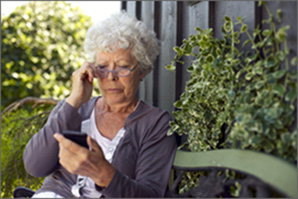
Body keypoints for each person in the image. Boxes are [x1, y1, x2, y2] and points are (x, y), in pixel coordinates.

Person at [23, 11, 177, 198]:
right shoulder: (75, 107)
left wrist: (104, 174)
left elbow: (150, 195)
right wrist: (74, 100)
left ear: (142, 71)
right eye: (102, 67)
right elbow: (35, 165)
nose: (111, 77)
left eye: (122, 66)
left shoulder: (155, 124)